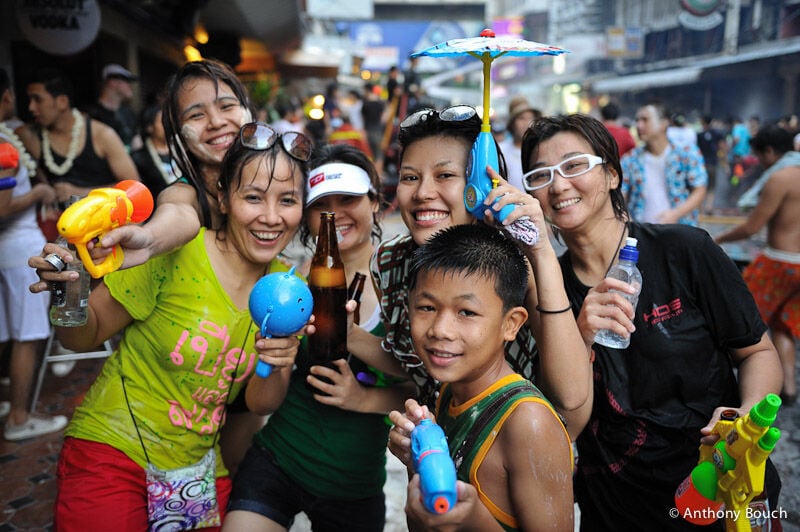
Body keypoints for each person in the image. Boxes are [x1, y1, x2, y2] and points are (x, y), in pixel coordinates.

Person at [28, 122, 311, 530]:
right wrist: (68, 292)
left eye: (288, 200)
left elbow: (261, 403)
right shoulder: (180, 251)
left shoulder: (290, 288)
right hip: (112, 448)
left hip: (195, 473)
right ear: (223, 198)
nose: (271, 217)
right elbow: (80, 337)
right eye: (253, 197)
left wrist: (279, 358)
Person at [519, 113, 783, 530]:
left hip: (717, 485)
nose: (558, 185)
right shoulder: (549, 292)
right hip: (616, 504)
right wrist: (581, 335)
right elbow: (564, 424)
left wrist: (746, 413)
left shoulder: (685, 250)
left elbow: (757, 352)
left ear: (611, 175)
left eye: (574, 166)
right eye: (540, 174)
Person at [345, 105, 593, 440]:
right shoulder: (391, 261)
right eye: (410, 177)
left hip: (519, 457)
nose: (422, 193)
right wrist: (350, 335)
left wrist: (540, 253)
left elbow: (571, 397)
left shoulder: (518, 264)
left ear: (483, 182)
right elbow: (419, 366)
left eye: (445, 175)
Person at [224, 144, 413, 531]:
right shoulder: (286, 285)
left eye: (348, 198)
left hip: (353, 484)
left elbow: (425, 385)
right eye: (321, 203)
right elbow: (261, 404)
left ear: (375, 202)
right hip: (278, 460)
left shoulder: (405, 282)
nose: (334, 213)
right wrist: (275, 361)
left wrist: (362, 396)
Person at [387, 223, 574, 531]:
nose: (440, 330)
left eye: (467, 312)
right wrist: (417, 463)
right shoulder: (450, 391)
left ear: (511, 324)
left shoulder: (527, 422)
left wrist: (475, 522)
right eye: (427, 307)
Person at [715, 124, 800, 405]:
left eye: (761, 156)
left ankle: (742, 389)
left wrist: (717, 239)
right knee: (783, 325)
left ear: (770, 151)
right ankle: (787, 389)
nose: (761, 162)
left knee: (739, 318)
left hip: (779, 262)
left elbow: (753, 227)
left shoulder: (781, 178)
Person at [0, 67, 64, 440]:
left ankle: (9, 404)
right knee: (28, 335)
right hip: (18, 251)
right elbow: (2, 207)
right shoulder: (4, 146)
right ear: (6, 96)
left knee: (7, 333)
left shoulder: (10, 137)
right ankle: (20, 419)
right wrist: (39, 195)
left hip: (6, 253)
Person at [25, 67, 140, 206]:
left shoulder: (102, 135)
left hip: (106, 223)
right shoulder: (30, 136)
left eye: (38, 100)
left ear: (62, 101)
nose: (31, 107)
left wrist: (82, 192)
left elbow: (135, 188)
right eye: (30, 100)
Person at [621, 100, 707, 226]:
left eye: (645, 120)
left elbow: (699, 189)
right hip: (642, 234)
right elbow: (620, 194)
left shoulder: (687, 153)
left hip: (680, 230)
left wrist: (676, 214)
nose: (639, 125)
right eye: (637, 120)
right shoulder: (630, 159)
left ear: (664, 123)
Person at [84, 64, 141, 151]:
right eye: (126, 81)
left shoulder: (129, 114)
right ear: (112, 82)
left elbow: (137, 145)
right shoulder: (91, 115)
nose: (130, 86)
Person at [130, 103, 177, 200]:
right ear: (149, 127)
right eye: (163, 122)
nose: (168, 125)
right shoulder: (139, 158)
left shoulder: (183, 152)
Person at [498, 95, 542, 190]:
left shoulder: (541, 149)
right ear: (512, 123)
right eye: (521, 118)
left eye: (530, 118)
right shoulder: (501, 151)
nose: (527, 123)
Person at [696, 114, 726, 212]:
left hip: (701, 165)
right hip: (712, 164)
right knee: (711, 187)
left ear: (702, 122)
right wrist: (724, 163)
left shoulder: (699, 135)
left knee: (700, 186)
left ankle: (700, 208)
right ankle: (708, 207)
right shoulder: (717, 134)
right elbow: (722, 147)